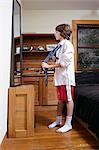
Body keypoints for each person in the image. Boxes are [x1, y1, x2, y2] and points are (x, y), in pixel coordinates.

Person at [42, 24, 75, 133]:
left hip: (66, 78)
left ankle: (68, 124)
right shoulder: (59, 46)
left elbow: (65, 63)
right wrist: (53, 58)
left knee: (68, 99)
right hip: (60, 78)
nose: (54, 34)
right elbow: (59, 60)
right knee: (60, 99)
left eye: (56, 32)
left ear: (61, 33)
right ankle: (58, 121)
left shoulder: (68, 45)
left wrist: (49, 66)